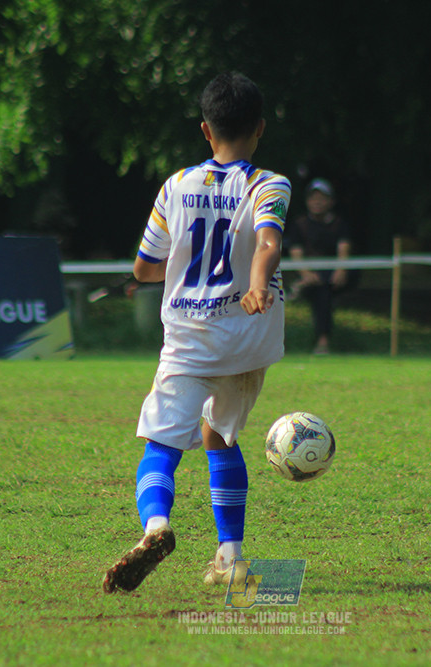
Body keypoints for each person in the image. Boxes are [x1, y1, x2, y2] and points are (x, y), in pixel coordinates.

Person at [102, 72, 291, 594]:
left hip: (189, 339)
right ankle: (230, 558)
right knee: (219, 437)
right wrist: (256, 284)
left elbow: (145, 268)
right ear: (260, 128)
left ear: (206, 130)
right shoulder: (269, 184)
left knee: (161, 444)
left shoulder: (176, 185)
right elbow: (269, 243)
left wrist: (173, 270)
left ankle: (156, 528)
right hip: (247, 342)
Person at [286, 178, 352, 355]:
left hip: (332, 276)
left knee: (324, 291)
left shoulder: (340, 224)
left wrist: (341, 270)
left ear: (331, 201)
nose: (317, 202)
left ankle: (323, 340)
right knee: (321, 292)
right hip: (309, 276)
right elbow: (296, 253)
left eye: (322, 198)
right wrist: (306, 274)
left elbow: (344, 249)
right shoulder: (299, 225)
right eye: (313, 198)